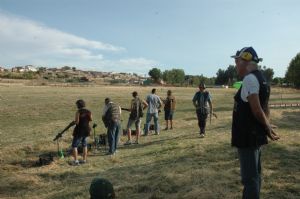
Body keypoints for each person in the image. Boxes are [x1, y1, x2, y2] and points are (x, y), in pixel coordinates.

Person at [231, 46, 280, 199]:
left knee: (250, 179)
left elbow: (257, 109)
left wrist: (266, 126)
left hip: (248, 137)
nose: (235, 64)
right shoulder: (262, 78)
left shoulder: (250, 79)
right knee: (255, 177)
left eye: (236, 60)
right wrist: (267, 124)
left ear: (245, 60)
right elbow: (265, 107)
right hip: (254, 135)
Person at [72, 99, 92, 165]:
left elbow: (77, 122)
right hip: (87, 129)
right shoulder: (89, 111)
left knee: (74, 146)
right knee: (84, 145)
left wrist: (74, 122)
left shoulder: (78, 112)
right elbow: (90, 120)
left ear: (78, 105)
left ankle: (76, 161)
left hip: (79, 130)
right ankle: (84, 160)